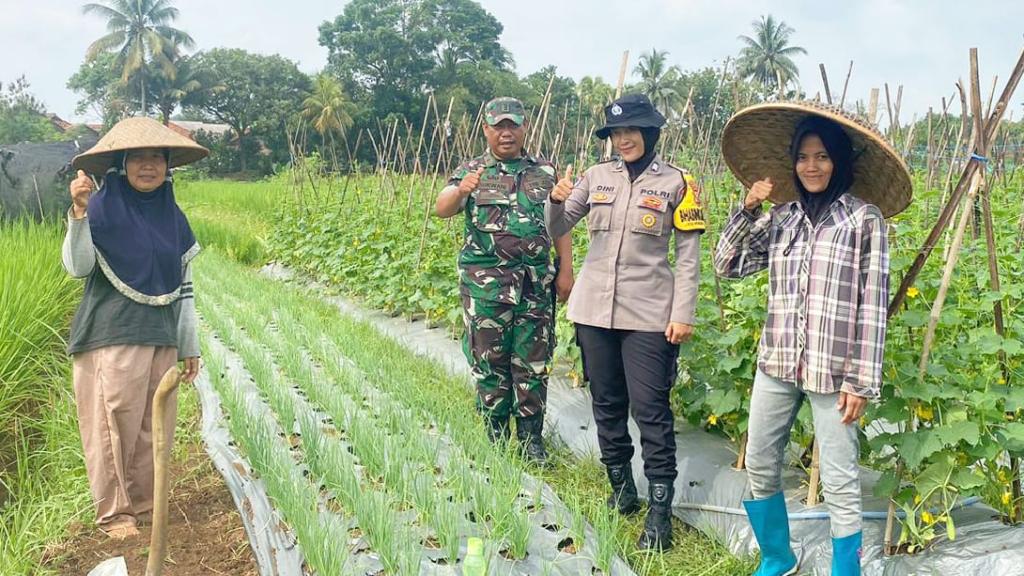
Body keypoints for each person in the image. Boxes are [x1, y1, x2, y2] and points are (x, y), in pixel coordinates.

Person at [714, 101, 912, 575]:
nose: (811, 166)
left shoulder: (864, 220)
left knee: (841, 481)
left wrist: (861, 380)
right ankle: (778, 557)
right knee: (761, 462)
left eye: (822, 156)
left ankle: (847, 570)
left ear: (839, 161)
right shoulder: (782, 218)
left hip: (835, 370)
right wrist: (746, 209)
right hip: (777, 363)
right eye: (803, 156)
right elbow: (728, 265)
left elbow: (873, 306)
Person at [545, 93, 705, 551]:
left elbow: (688, 258)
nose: (624, 139)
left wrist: (682, 314)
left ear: (650, 132)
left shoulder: (678, 182)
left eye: (631, 130)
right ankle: (622, 490)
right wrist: (556, 201)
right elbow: (558, 227)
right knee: (607, 403)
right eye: (616, 132)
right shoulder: (596, 177)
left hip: (650, 313)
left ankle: (659, 514)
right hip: (594, 310)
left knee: (651, 410)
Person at [63, 116, 208, 539]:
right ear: (123, 165)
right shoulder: (101, 208)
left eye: (157, 159)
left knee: (153, 427)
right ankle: (115, 514)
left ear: (168, 166)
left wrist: (189, 346)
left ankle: (144, 505)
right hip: (113, 336)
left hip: (161, 338)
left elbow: (184, 287)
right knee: (113, 428)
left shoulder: (172, 217)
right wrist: (79, 213)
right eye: (139, 158)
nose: (149, 166)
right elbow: (78, 267)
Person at [434, 97, 574, 465]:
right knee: (489, 361)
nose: (506, 133)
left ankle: (531, 441)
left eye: (512, 125)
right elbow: (442, 208)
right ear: (487, 130)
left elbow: (560, 223)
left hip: (534, 285)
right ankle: (495, 436)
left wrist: (566, 269)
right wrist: (463, 190)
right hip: (486, 288)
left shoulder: (544, 171)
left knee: (533, 362)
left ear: (524, 127)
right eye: (499, 126)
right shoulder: (473, 170)